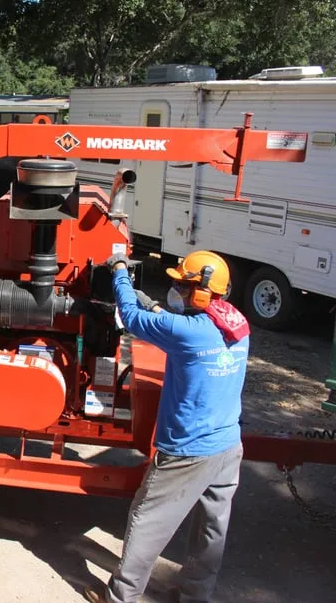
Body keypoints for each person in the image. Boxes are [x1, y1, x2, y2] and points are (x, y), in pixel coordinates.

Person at [85, 250, 251, 603]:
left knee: (147, 521)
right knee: (211, 528)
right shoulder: (237, 324)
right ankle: (194, 596)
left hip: (188, 450)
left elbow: (131, 317)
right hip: (228, 446)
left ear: (203, 292)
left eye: (184, 286)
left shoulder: (187, 333)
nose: (178, 290)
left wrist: (119, 272)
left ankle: (121, 597)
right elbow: (187, 326)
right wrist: (157, 307)